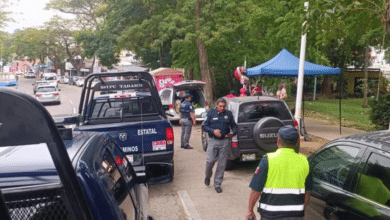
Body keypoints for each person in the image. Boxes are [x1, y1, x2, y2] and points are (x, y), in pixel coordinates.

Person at [245, 125, 312, 220]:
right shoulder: (305, 161)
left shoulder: (268, 160)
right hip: (295, 215)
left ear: (278, 141)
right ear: (297, 142)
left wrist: (250, 210)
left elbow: (256, 190)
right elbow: (307, 193)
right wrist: (301, 212)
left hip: (270, 215)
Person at [202, 98, 238, 193]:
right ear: (216, 105)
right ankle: (207, 176)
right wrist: (213, 131)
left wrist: (233, 133)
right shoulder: (211, 113)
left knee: (222, 164)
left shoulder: (228, 114)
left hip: (224, 141)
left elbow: (234, 126)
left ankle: (217, 184)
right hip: (213, 140)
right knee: (210, 161)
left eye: (223, 106)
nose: (222, 108)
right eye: (220, 106)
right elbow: (204, 126)